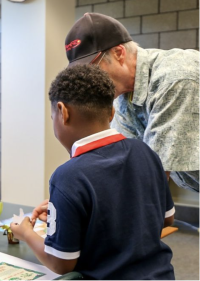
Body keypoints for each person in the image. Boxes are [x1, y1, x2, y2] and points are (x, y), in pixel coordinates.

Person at [10, 65, 175, 280]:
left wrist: (25, 233)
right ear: (112, 112)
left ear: (62, 112)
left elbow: (61, 263)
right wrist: (79, 218)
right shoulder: (144, 151)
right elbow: (166, 219)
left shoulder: (68, 176)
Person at [64, 12, 200, 193]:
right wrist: (70, 198)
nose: (89, 80)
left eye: (93, 69)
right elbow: (124, 166)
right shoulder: (124, 97)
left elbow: (152, 174)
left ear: (119, 53)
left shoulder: (175, 78)